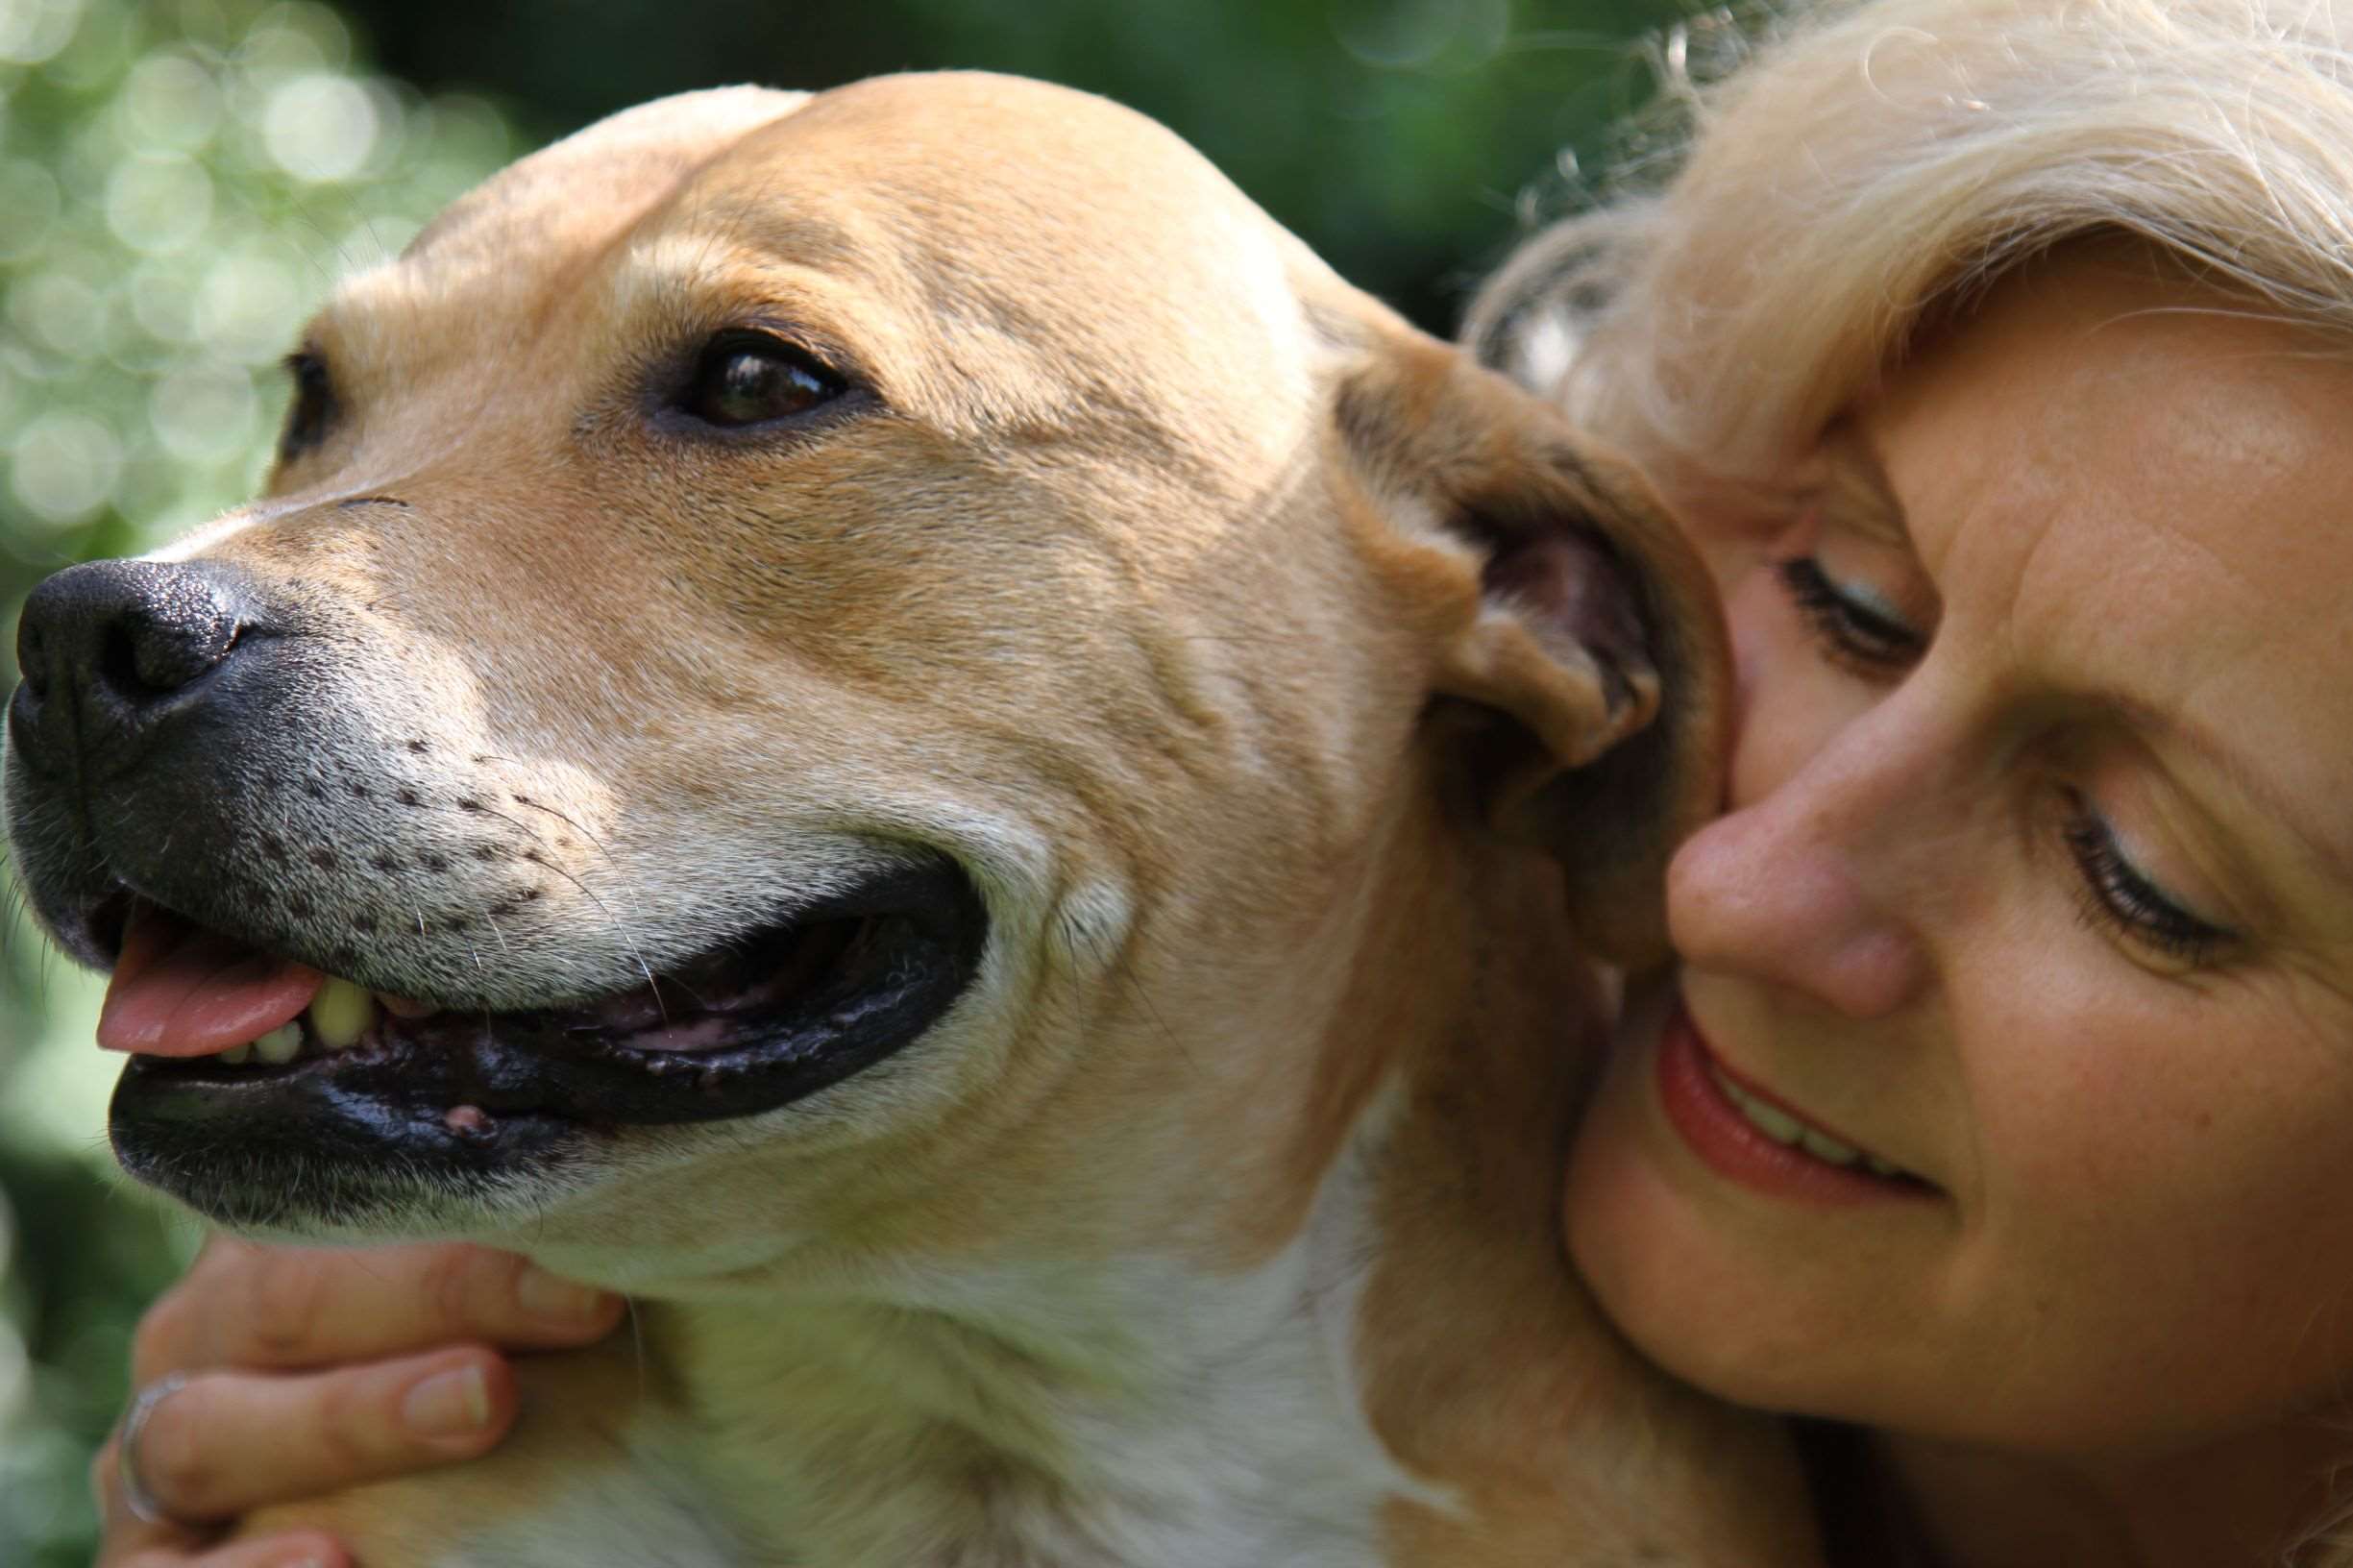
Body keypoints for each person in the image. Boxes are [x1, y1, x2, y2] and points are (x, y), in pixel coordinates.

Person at [82, 1, 2353, 1563]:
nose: (1735, 885)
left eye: (2140, 874)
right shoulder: (384, 1416)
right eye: (1851, 606)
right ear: (1578, 604)